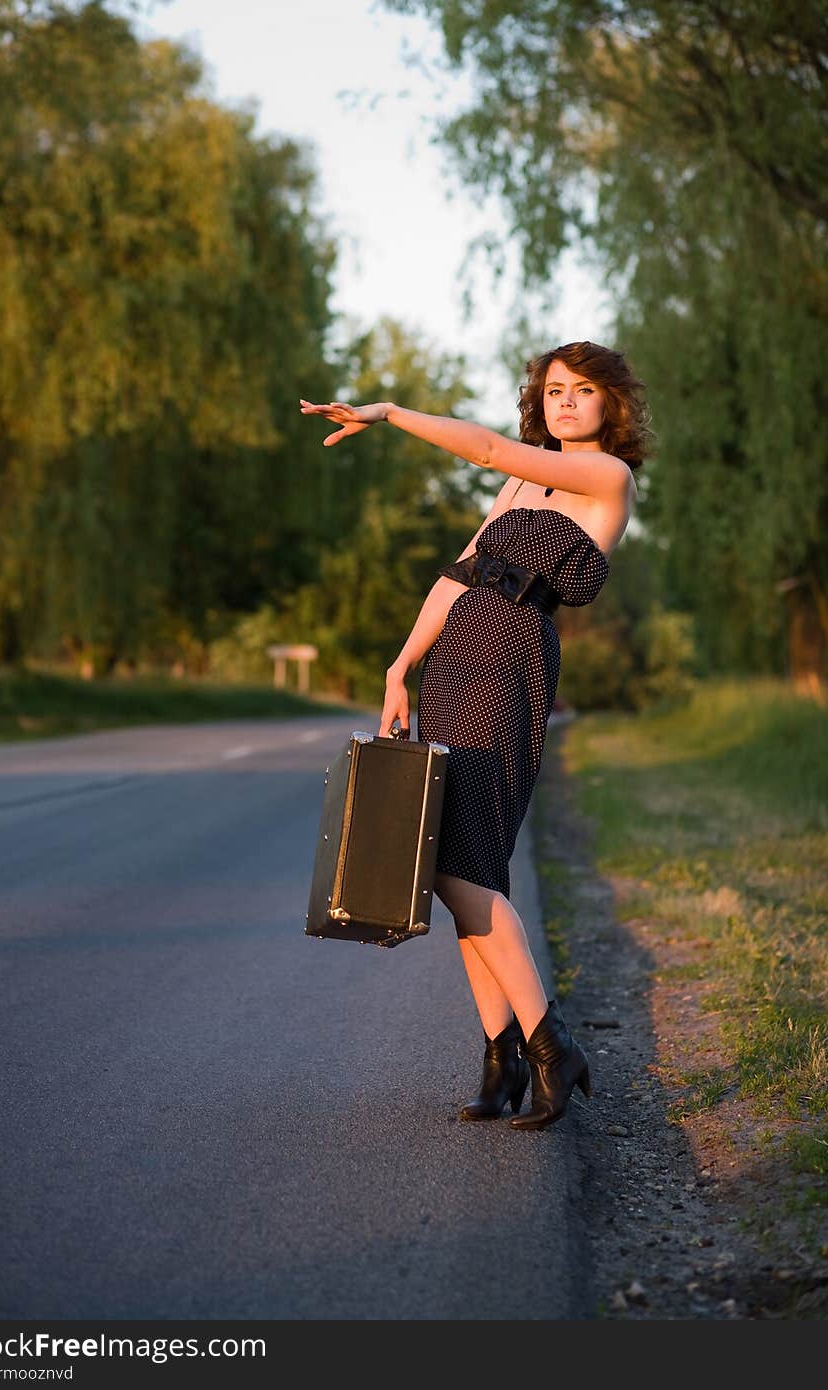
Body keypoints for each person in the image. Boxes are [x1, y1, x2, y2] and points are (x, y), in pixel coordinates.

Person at [300, 340, 650, 1130]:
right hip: (456, 660)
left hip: (512, 653)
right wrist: (399, 667)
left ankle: (550, 1045)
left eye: (583, 390)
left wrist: (388, 413)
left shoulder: (607, 480)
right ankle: (502, 1058)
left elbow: (488, 443)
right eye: (554, 389)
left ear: (610, 406)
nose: (565, 402)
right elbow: (457, 575)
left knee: (462, 863)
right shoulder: (523, 478)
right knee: (454, 860)